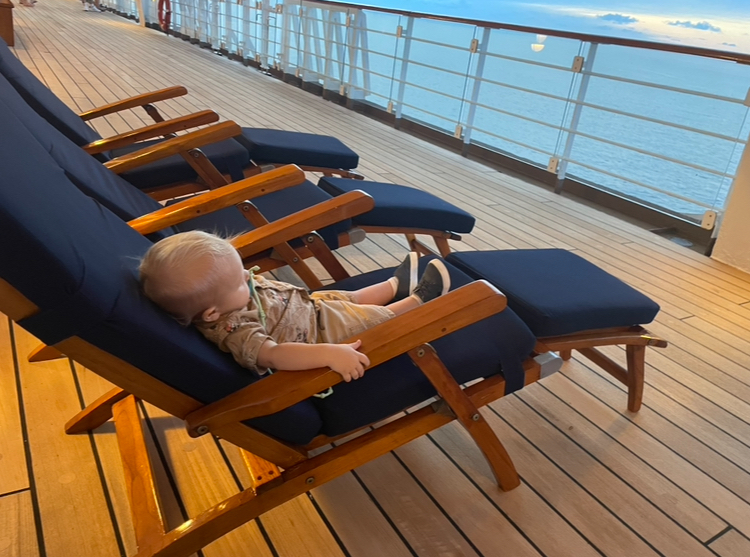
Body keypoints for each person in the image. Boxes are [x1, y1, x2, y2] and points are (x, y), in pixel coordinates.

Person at [139, 231, 451, 383]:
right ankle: (418, 301)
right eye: (238, 281)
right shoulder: (235, 331)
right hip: (322, 334)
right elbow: (275, 354)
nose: (248, 276)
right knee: (368, 317)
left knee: (349, 298)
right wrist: (330, 353)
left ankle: (394, 286)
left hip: (309, 307)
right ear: (211, 314)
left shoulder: (221, 302)